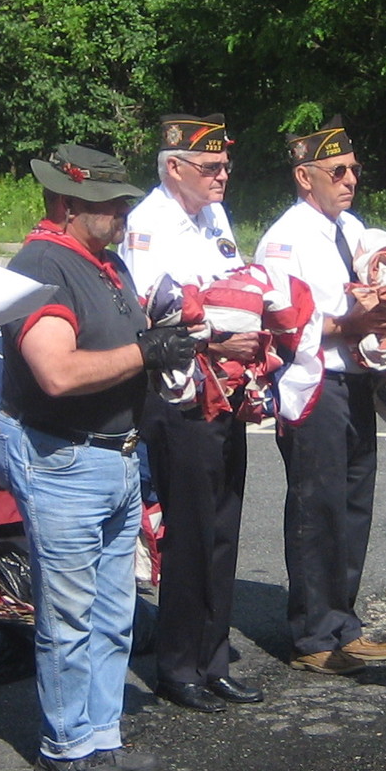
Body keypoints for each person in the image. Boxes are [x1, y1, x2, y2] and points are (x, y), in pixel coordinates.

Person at [0, 145, 205, 771]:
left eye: (121, 203)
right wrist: (147, 350)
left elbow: (124, 342)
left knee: (115, 607)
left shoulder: (102, 262)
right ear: (65, 204)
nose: (120, 214)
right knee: (72, 611)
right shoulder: (40, 266)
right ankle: (68, 741)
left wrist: (161, 336)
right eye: (107, 205)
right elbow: (56, 373)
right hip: (65, 457)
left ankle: (101, 734)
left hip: (113, 453)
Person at [122, 113, 267, 713]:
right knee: (187, 530)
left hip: (224, 387)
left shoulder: (213, 215)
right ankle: (178, 664)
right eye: (210, 167)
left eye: (226, 166)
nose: (222, 176)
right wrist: (220, 334)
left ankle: (213, 655)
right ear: (174, 167)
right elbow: (157, 308)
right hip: (178, 390)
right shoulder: (149, 223)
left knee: (223, 525)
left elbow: (234, 283)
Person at [254, 117, 386, 674]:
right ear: (305, 176)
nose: (349, 180)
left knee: (352, 504)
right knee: (317, 506)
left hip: (357, 378)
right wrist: (353, 322)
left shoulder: (349, 228)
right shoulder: (284, 239)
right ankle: (313, 633)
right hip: (312, 384)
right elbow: (282, 323)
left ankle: (343, 621)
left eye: (354, 170)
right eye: (336, 170)